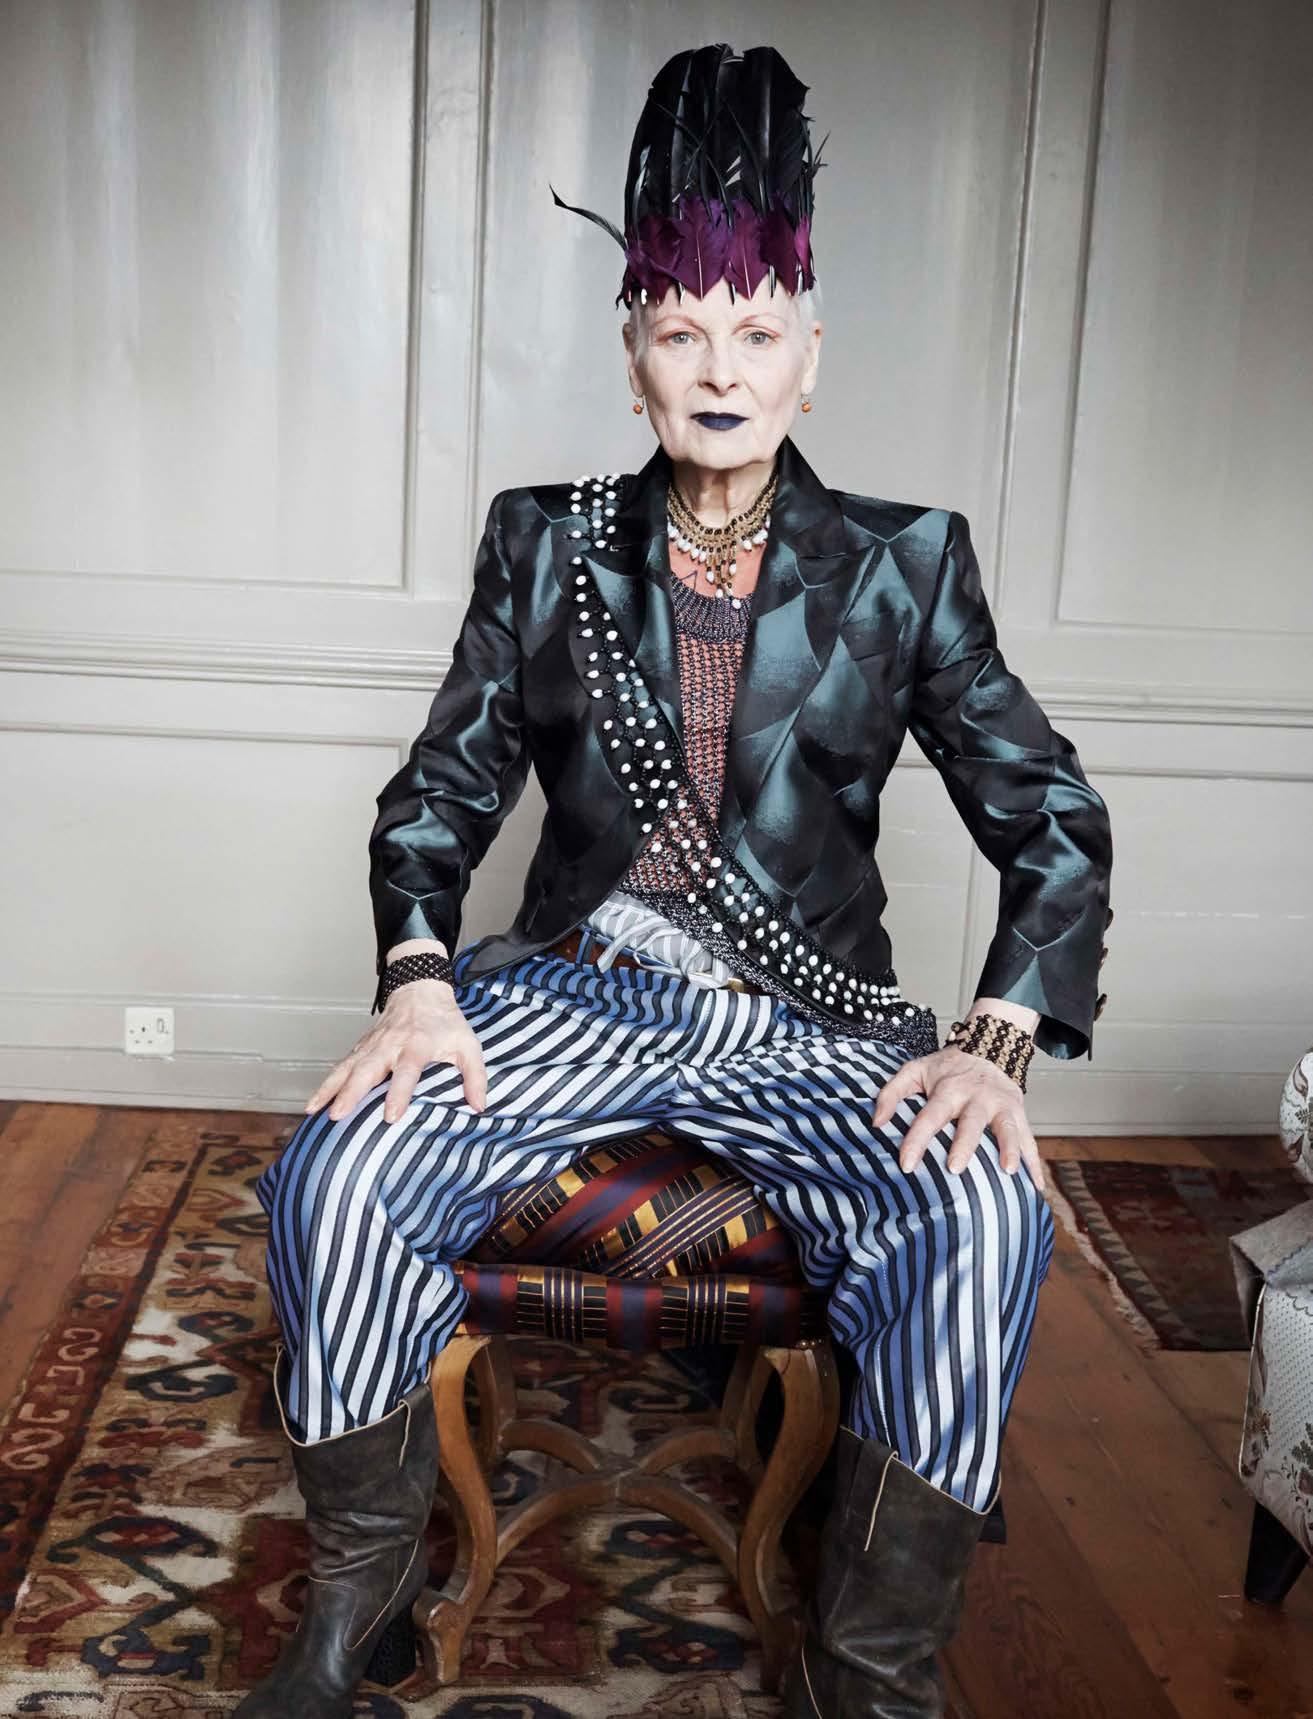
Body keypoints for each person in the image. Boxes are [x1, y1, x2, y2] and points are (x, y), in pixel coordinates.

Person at [236, 41, 1114, 1719]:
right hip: (577, 996)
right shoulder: (543, 538)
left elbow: (1053, 815)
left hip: (811, 1025)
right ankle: (353, 1615)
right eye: (681, 331)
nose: (720, 368)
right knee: (334, 1175)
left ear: (808, 360)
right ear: (632, 354)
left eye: (756, 332)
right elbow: (440, 791)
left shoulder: (904, 562)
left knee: (981, 1211)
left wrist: (998, 1038)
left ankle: (869, 1676)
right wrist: (416, 979)